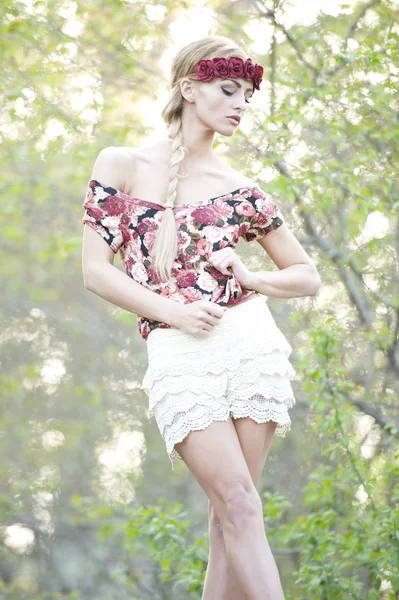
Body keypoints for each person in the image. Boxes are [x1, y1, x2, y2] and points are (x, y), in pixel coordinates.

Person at [81, 34, 320, 600]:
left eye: (247, 96)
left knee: (233, 511)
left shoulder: (242, 192)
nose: (241, 104)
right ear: (189, 89)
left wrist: (254, 277)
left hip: (250, 344)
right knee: (234, 503)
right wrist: (172, 312)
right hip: (178, 351)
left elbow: (307, 275)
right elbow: (96, 271)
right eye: (229, 90)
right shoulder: (121, 165)